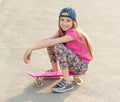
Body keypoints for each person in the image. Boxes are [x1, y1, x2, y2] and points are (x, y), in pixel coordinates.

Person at [23, 7, 94, 93]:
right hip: (74, 62)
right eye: (62, 20)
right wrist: (31, 47)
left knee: (57, 46)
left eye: (68, 20)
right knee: (51, 44)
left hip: (81, 66)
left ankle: (67, 82)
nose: (64, 23)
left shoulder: (74, 33)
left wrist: (32, 49)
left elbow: (54, 41)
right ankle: (55, 70)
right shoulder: (62, 31)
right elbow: (48, 39)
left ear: (73, 22)